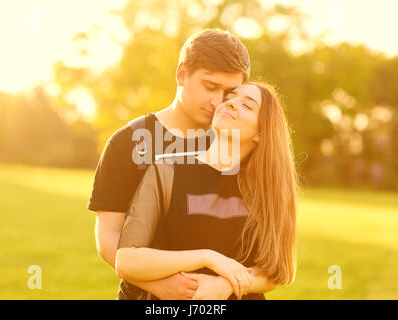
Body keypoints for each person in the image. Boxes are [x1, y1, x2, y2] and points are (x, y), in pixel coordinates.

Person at [88, 28, 251, 299]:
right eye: (210, 86)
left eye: (229, 92)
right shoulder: (127, 142)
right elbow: (108, 238)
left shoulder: (237, 142)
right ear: (182, 74)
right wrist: (161, 285)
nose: (217, 102)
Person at [115, 82, 298, 300]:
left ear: (261, 132)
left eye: (247, 106)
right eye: (230, 97)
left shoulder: (266, 190)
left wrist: (227, 284)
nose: (230, 104)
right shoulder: (166, 171)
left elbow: (274, 272)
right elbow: (126, 261)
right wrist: (207, 258)